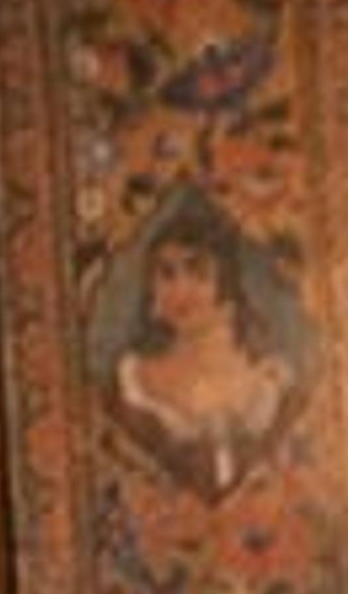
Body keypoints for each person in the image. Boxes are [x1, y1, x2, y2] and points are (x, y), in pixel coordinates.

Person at [103, 191, 299, 498]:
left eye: (197, 272)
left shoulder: (272, 383)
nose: (180, 289)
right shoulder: (133, 383)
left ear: (227, 284)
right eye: (166, 274)